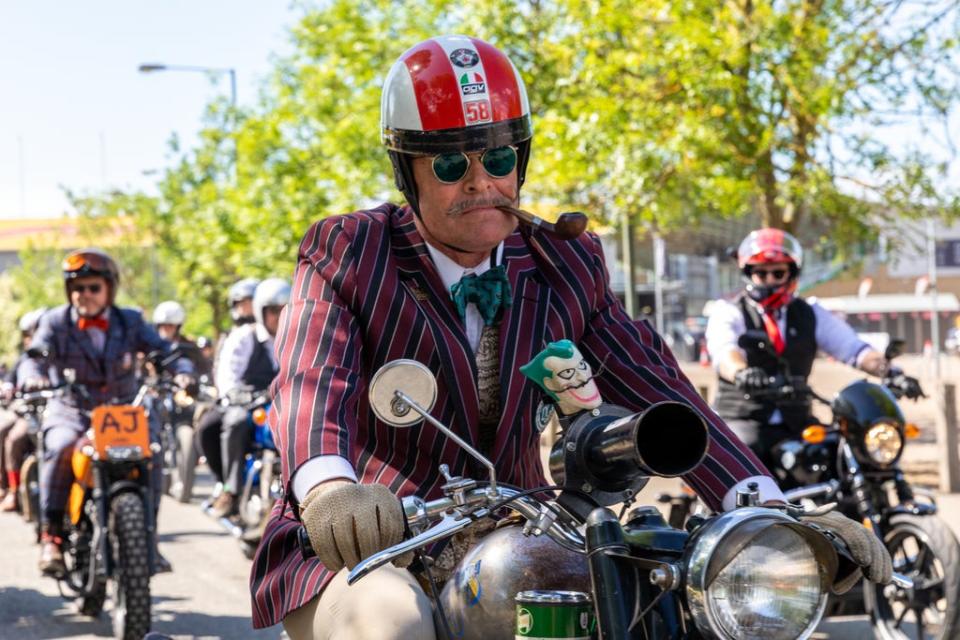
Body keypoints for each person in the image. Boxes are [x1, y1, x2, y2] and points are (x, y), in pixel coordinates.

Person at [249, 36, 891, 638]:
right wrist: (331, 490)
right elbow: (310, 380)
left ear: (520, 162)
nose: (480, 182)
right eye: (449, 163)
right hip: (368, 542)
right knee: (396, 624)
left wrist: (771, 512)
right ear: (406, 171)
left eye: (497, 158)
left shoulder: (565, 261)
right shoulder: (350, 250)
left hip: (523, 537)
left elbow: (664, 395)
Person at [19, 249, 194, 576]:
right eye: (77, 288)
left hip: (123, 413)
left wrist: (182, 372)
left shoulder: (130, 320)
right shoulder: (55, 321)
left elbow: (167, 352)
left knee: (152, 453)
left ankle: (148, 539)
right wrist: (32, 375)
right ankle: (52, 537)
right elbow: (32, 356)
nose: (83, 294)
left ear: (109, 288)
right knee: (59, 448)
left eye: (92, 287)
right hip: (71, 410)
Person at [706, 228, 923, 470]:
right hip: (744, 418)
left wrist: (892, 372)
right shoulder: (729, 311)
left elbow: (853, 348)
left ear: (791, 274)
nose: (769, 279)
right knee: (744, 465)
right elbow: (725, 352)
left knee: (841, 460)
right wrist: (740, 373)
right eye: (760, 273)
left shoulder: (810, 313)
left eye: (777, 272)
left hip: (797, 421)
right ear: (749, 274)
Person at [201, 278, 287, 518]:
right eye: (273, 311)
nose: (279, 317)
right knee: (232, 422)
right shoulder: (243, 337)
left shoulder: (293, 339)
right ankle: (231, 489)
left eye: (284, 311)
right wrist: (236, 395)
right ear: (262, 312)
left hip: (279, 403)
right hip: (246, 403)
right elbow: (228, 377)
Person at [0, 308, 47, 511]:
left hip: (56, 410)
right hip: (28, 410)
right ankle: (10, 489)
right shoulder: (25, 358)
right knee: (9, 436)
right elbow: (11, 379)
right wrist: (8, 388)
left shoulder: (61, 352)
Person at [152, 300, 212, 378]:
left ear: (178, 327)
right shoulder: (150, 346)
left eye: (170, 325)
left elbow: (203, 368)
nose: (166, 329)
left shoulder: (188, 345)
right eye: (163, 325)